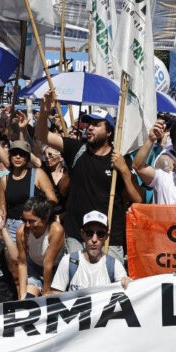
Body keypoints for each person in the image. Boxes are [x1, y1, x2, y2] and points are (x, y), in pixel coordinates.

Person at [35, 92, 141, 263]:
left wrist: (124, 171)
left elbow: (137, 199)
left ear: (109, 132)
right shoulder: (76, 149)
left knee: (107, 288)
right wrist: (45, 112)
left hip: (108, 237)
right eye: (88, 124)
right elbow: (42, 135)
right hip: (77, 234)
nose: (89, 127)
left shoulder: (120, 159)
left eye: (96, 124)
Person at [50, 211, 131, 292]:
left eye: (100, 234)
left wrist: (128, 284)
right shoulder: (68, 261)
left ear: (107, 236)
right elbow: (56, 295)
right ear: (82, 234)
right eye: (89, 233)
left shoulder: (115, 266)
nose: (94, 239)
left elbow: (125, 293)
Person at [0, 140, 58, 245]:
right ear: (10, 156)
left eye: (22, 154)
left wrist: (41, 218)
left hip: (34, 226)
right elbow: (2, 208)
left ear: (27, 158)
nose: (18, 157)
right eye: (14, 153)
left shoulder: (37, 174)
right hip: (11, 226)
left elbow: (52, 199)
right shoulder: (4, 180)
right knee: (14, 259)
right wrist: (1, 227)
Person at [16, 196, 65, 298]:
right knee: (27, 300)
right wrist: (22, 292)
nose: (27, 225)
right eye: (25, 220)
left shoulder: (56, 230)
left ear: (45, 218)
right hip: (34, 268)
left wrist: (46, 293)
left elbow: (48, 264)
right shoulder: (21, 232)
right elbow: (22, 262)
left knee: (52, 304)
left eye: (32, 221)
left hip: (56, 271)